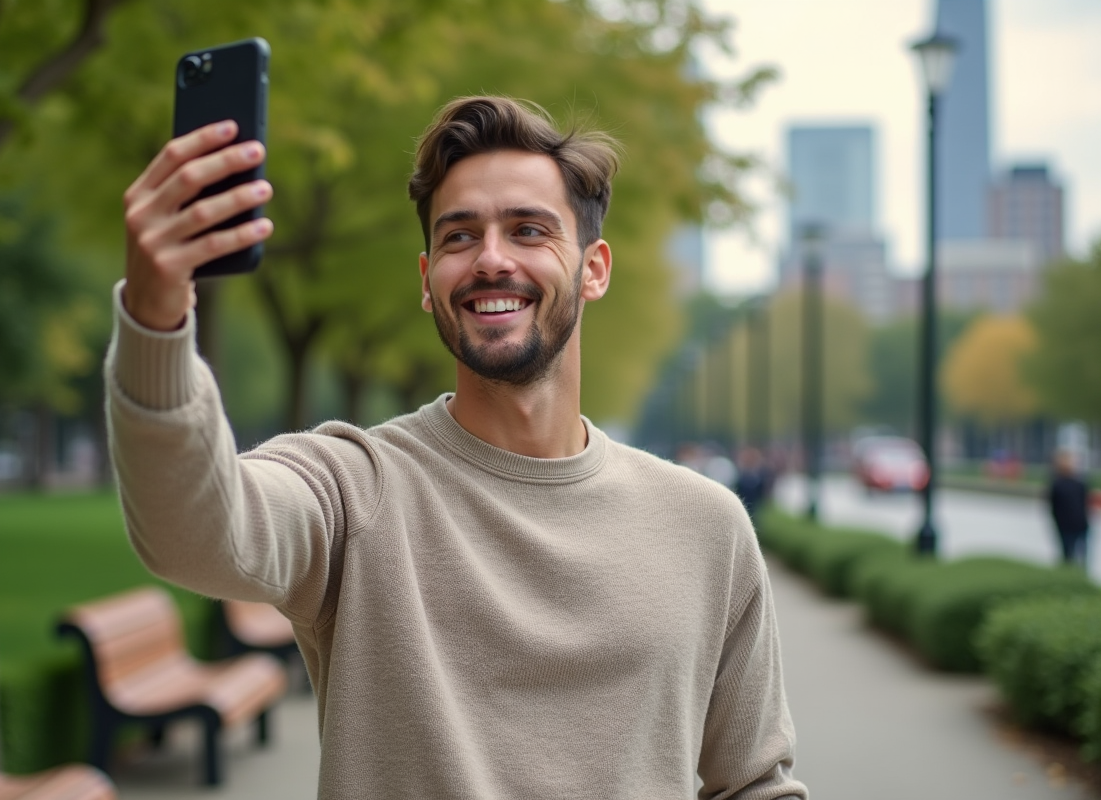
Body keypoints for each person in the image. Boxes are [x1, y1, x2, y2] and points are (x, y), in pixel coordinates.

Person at [109, 96, 806, 799]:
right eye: (459, 237)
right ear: (427, 280)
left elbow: (754, 783)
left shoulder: (706, 525)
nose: (491, 259)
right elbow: (190, 533)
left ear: (594, 269)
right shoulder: (354, 490)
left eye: (529, 230)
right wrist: (155, 316)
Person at [1048, 449, 1092, 568]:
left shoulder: (1060, 484)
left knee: (1071, 555)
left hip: (1074, 525)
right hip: (1074, 524)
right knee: (1075, 555)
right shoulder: (1074, 483)